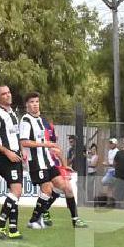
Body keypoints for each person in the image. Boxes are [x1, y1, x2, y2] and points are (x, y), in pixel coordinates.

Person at [20, 94, 88, 229]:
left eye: (37, 102)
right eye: (32, 102)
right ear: (27, 105)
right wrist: (45, 145)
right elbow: (24, 142)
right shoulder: (25, 120)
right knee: (47, 189)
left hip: (48, 162)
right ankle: (33, 220)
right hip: (36, 163)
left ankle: (76, 220)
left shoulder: (39, 120)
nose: (35, 104)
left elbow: (43, 140)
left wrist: (57, 155)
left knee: (67, 187)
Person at [0, 85, 25, 240]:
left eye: (9, 92)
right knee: (16, 191)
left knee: (14, 193)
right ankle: (0, 224)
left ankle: (13, 228)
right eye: (4, 94)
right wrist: (8, 152)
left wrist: (22, 151)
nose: (8, 95)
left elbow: (16, 135)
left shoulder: (12, 114)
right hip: (5, 157)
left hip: (16, 156)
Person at [98, 138, 119, 207]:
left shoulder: (117, 152)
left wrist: (107, 164)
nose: (110, 144)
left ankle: (110, 202)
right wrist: (107, 164)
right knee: (110, 188)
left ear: (115, 144)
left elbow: (116, 164)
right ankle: (109, 203)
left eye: (112, 143)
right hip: (109, 170)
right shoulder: (109, 151)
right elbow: (109, 160)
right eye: (110, 143)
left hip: (113, 171)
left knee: (104, 181)